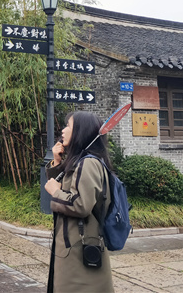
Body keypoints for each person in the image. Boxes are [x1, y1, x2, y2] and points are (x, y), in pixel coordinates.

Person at [45, 111, 114, 293]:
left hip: (79, 246)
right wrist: (57, 162)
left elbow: (81, 204)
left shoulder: (88, 163)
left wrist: (55, 192)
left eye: (68, 126)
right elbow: (68, 186)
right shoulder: (82, 161)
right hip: (75, 243)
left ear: (80, 132)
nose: (63, 130)